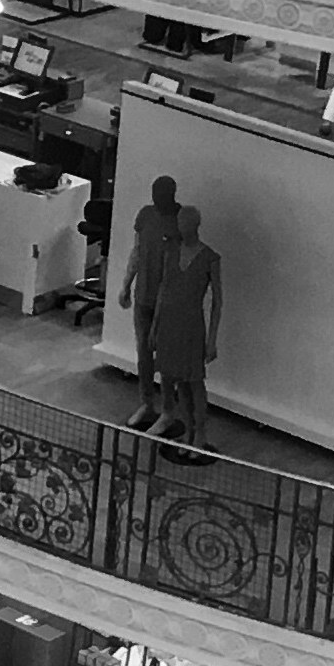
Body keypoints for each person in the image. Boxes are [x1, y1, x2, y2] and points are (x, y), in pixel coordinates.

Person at [149, 205, 221, 460]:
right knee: (175, 378)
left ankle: (200, 433)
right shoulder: (171, 252)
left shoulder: (210, 258)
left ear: (195, 225)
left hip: (191, 326)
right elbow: (163, 289)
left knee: (194, 380)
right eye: (180, 222)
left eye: (185, 223)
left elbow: (218, 302)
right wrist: (155, 326)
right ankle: (187, 429)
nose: (181, 227)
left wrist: (212, 340)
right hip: (169, 323)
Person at [117, 174, 184, 424]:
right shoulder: (145, 215)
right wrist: (126, 284)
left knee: (165, 356)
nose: (157, 200)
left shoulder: (181, 222)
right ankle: (146, 403)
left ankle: (168, 410)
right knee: (144, 354)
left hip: (167, 302)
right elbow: (137, 251)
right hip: (143, 296)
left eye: (162, 195)